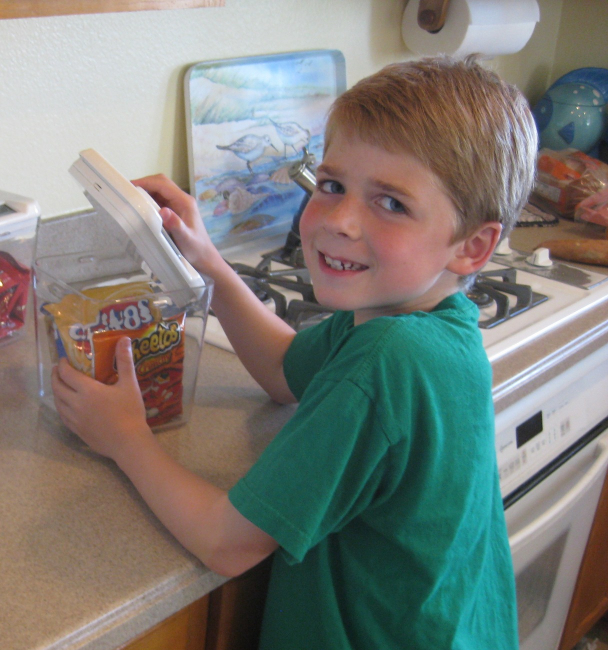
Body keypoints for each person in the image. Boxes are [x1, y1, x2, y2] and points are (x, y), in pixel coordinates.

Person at [51, 55, 538, 650]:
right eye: (332, 185)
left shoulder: (389, 358)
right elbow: (285, 370)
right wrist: (208, 261)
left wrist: (126, 437)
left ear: (474, 246)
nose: (339, 221)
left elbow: (227, 543)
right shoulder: (423, 321)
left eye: (391, 203)